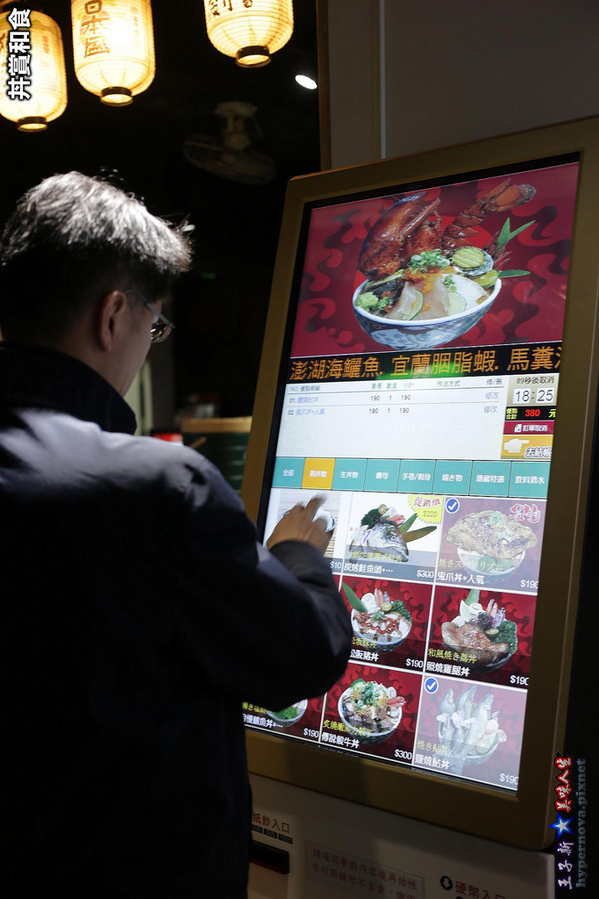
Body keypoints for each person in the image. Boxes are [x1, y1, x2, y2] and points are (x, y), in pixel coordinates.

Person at [0, 172, 352, 897]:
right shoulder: (153, 486)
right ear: (113, 314)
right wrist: (297, 554)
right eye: (152, 326)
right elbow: (300, 655)